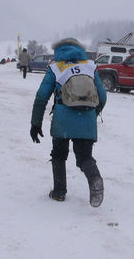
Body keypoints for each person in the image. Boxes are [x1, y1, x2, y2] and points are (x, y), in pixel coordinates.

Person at [30, 37, 107, 206]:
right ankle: (95, 179)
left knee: (59, 155)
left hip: (62, 120)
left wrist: (35, 123)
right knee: (85, 157)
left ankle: (59, 192)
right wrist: (93, 113)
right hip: (86, 119)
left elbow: (42, 96)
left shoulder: (56, 67)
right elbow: (102, 96)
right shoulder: (90, 66)